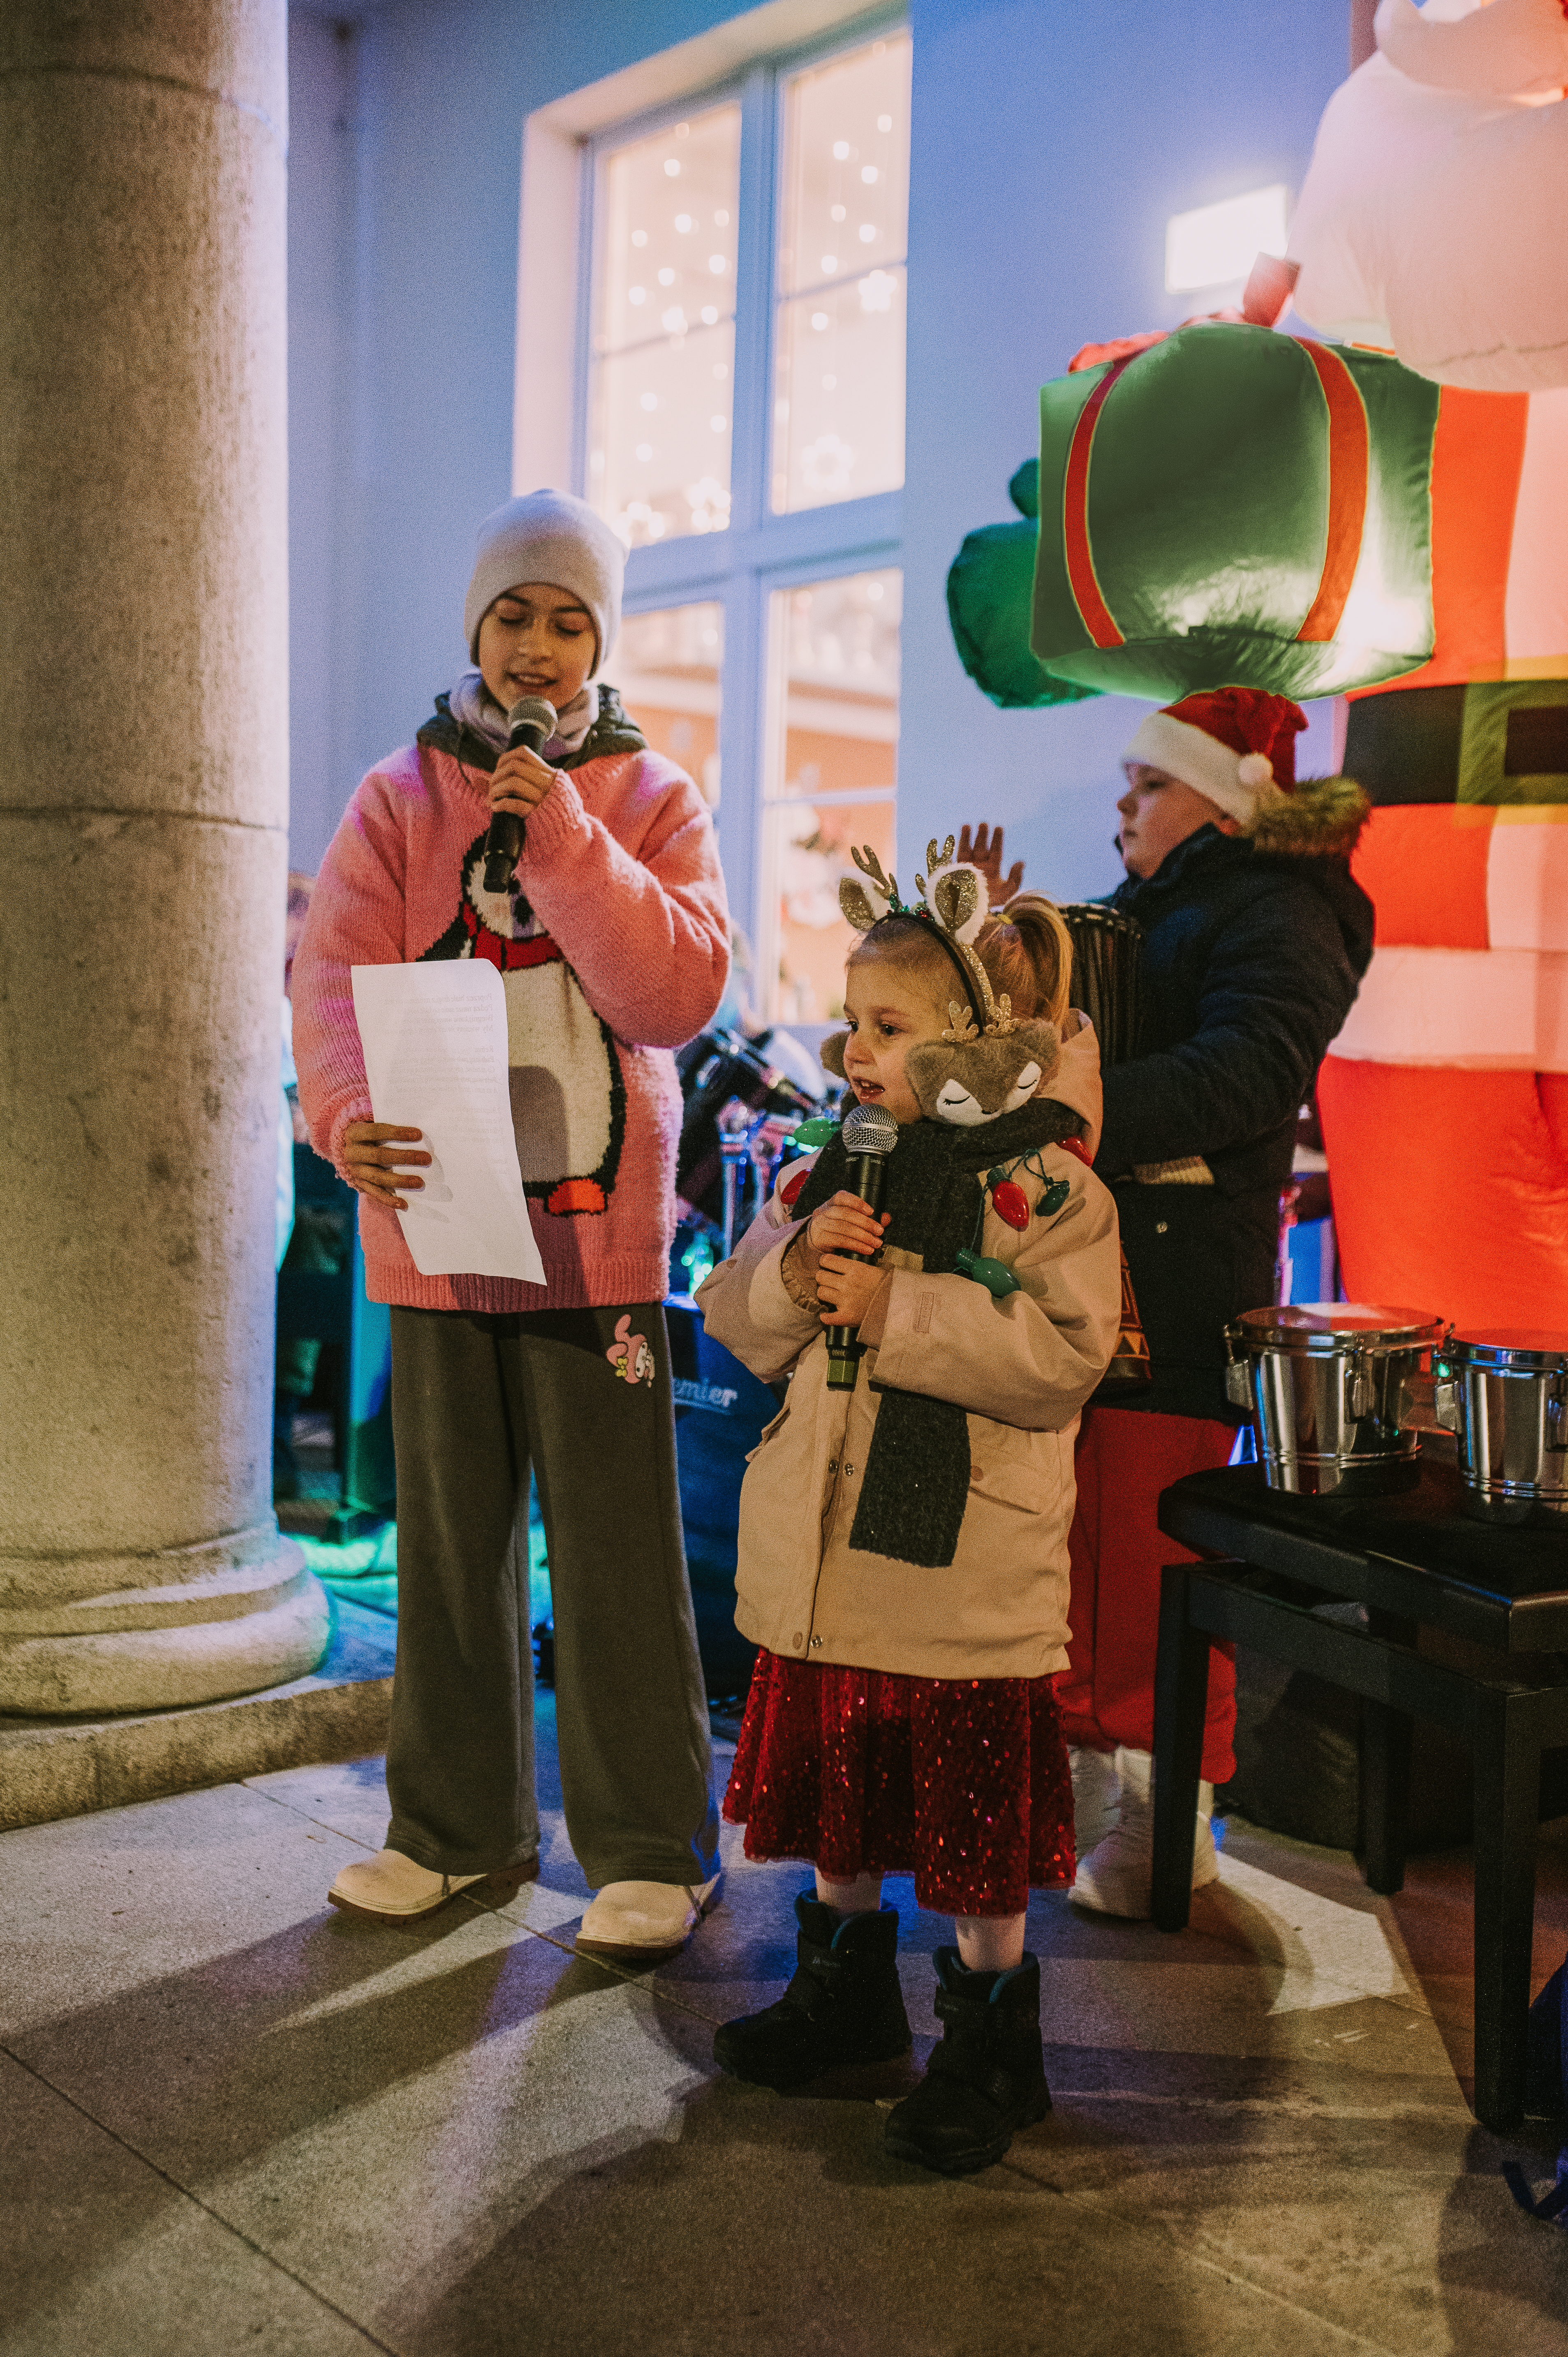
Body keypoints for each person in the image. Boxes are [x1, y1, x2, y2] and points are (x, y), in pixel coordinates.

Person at [291, 488, 729, 1953]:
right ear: (475, 626)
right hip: (438, 1222)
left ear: (600, 640)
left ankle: (653, 1848)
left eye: (568, 622)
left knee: (612, 1548)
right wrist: (344, 1118)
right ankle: (455, 1832)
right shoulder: (397, 795)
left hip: (594, 1237)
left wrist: (567, 843)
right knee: (448, 1545)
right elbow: (334, 980)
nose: (537, 649)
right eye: (513, 616)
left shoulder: (654, 796)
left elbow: (675, 994)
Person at [696, 845, 1120, 2174]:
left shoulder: (1044, 1190)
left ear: (975, 1039)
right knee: (842, 1800)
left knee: (971, 1828)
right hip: (829, 1560)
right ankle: (847, 2000)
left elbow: (1064, 1358)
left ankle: (991, 2049)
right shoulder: (840, 1163)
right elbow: (735, 1317)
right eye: (854, 1021)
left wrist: (905, 1308)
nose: (855, 1050)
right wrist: (791, 1272)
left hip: (957, 1571)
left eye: (890, 1028)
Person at [1061, 687, 1373, 1917]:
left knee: (1145, 1562)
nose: (1124, 804)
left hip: (1180, 1291)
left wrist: (1082, 1116)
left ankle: (1161, 1840)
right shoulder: (1166, 904)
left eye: (1148, 784)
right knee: (1085, 1562)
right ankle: (1106, 1825)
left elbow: (1250, 1070)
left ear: (1225, 795)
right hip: (1110, 1273)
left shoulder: (1279, 908)